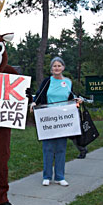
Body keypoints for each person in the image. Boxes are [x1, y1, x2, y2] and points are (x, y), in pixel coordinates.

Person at [30, 57, 81, 186]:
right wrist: (34, 103)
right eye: (54, 66)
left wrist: (77, 100)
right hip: (48, 119)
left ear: (63, 67)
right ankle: (47, 176)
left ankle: (60, 176)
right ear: (51, 69)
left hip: (62, 120)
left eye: (59, 66)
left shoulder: (68, 82)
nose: (56, 68)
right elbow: (39, 94)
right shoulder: (47, 81)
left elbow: (71, 97)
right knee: (47, 148)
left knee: (61, 148)